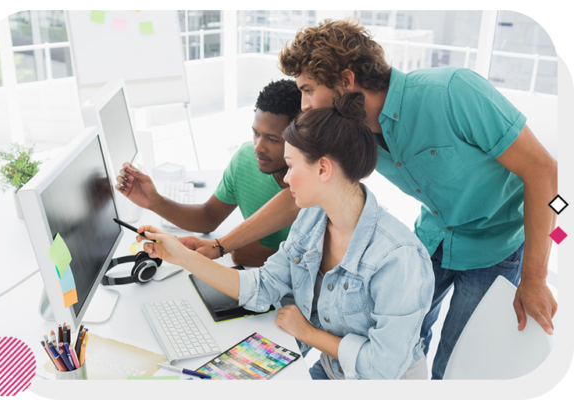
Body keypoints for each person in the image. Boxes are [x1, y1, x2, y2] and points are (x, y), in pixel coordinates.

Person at [178, 18, 558, 379]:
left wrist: (536, 275)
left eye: (308, 90)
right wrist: (220, 245)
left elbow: (545, 171)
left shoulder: (453, 92)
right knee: (406, 343)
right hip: (435, 235)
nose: (304, 104)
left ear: (346, 80)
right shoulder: (355, 128)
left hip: (498, 245)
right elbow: (304, 194)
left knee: (456, 364)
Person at [136, 92, 434, 380]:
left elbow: (383, 368)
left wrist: (309, 334)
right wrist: (182, 256)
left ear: (323, 169)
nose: (286, 178)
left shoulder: (397, 257)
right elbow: (263, 285)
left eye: (291, 166)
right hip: (334, 369)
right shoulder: (312, 218)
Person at [115, 79, 301, 267]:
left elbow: (324, 265)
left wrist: (268, 257)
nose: (258, 147)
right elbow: (209, 217)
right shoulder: (245, 159)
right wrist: (155, 201)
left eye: (272, 139)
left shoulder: (315, 188)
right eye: (256, 134)